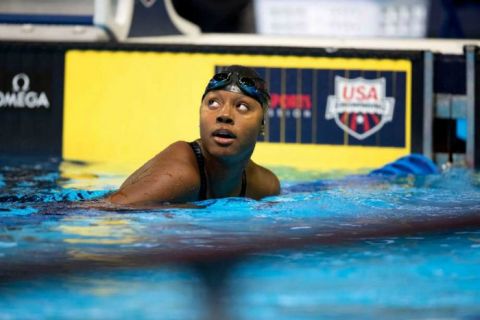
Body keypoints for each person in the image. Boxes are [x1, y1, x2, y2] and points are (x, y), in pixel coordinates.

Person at [107, 65, 280, 206]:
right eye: (213, 103)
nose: (224, 114)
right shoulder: (180, 174)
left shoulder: (265, 186)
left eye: (242, 106)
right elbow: (100, 210)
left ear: (262, 125)